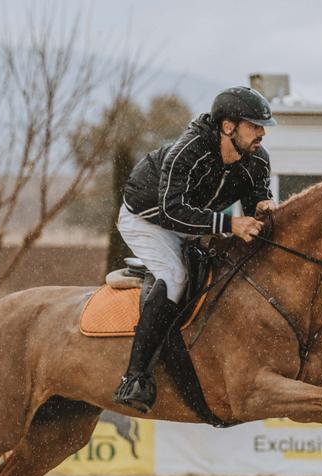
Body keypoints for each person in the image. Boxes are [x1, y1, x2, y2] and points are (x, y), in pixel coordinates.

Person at [112, 86, 277, 413]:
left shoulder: (257, 158)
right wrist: (230, 225)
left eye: (263, 127)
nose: (261, 133)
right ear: (228, 127)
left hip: (194, 225)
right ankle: (135, 377)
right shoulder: (188, 151)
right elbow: (172, 212)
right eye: (254, 125)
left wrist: (265, 207)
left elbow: (255, 198)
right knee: (174, 277)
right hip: (148, 220)